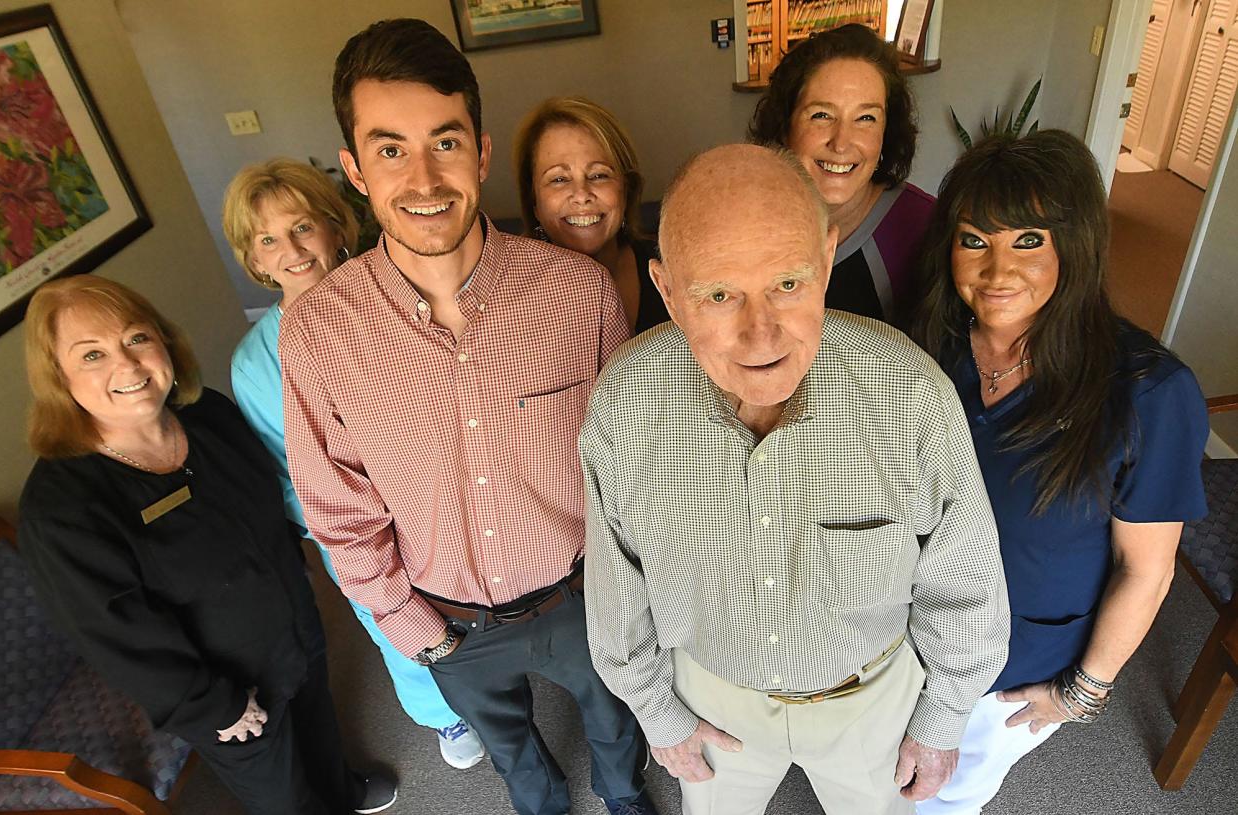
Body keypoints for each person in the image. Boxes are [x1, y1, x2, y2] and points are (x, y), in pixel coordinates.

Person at [280, 18, 655, 815]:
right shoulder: (318, 331)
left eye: (445, 143)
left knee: (617, 729)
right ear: (353, 168)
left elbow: (632, 463)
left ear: (481, 153)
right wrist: (420, 631)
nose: (424, 178)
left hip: (582, 596)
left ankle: (626, 803)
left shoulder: (575, 294)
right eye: (390, 149)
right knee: (516, 758)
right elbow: (338, 511)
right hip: (447, 620)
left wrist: (628, 592)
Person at [581, 143, 1010, 815]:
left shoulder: (908, 392)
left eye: (788, 283)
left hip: (870, 699)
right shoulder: (624, 405)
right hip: (710, 690)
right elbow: (615, 587)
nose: (761, 334)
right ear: (667, 290)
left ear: (828, 255)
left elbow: (966, 580)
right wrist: (657, 711)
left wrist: (943, 717)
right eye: (719, 294)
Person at [16, 275, 396, 815]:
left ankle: (340, 787)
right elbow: (116, 636)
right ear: (59, 379)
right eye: (92, 355)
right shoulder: (61, 511)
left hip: (293, 630)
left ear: (164, 343)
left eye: (136, 338)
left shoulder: (209, 415)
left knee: (317, 724)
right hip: (226, 692)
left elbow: (267, 507)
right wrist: (213, 707)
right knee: (281, 793)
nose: (126, 365)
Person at [910, 130, 1209, 814]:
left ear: (1074, 247)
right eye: (974, 239)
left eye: (1028, 240)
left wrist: (1081, 692)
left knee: (942, 798)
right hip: (912, 638)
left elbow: (1148, 570)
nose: (996, 269)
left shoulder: (1149, 392)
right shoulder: (932, 344)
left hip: (1011, 669)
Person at [223, 157, 485, 770]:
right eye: (268, 239)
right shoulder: (253, 364)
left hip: (437, 500)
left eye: (302, 226)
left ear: (336, 227)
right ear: (255, 259)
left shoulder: (404, 299)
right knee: (394, 621)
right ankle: (445, 717)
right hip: (349, 526)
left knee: (467, 601)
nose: (291, 249)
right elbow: (287, 476)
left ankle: (497, 685)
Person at [749, 23, 932, 325]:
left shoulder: (926, 229)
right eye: (821, 115)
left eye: (866, 118)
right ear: (785, 126)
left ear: (887, 133)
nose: (841, 142)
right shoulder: (744, 220)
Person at [512, 95, 669, 334]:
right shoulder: (509, 297)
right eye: (559, 179)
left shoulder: (671, 269)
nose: (581, 194)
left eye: (599, 175)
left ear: (626, 189)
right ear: (534, 202)